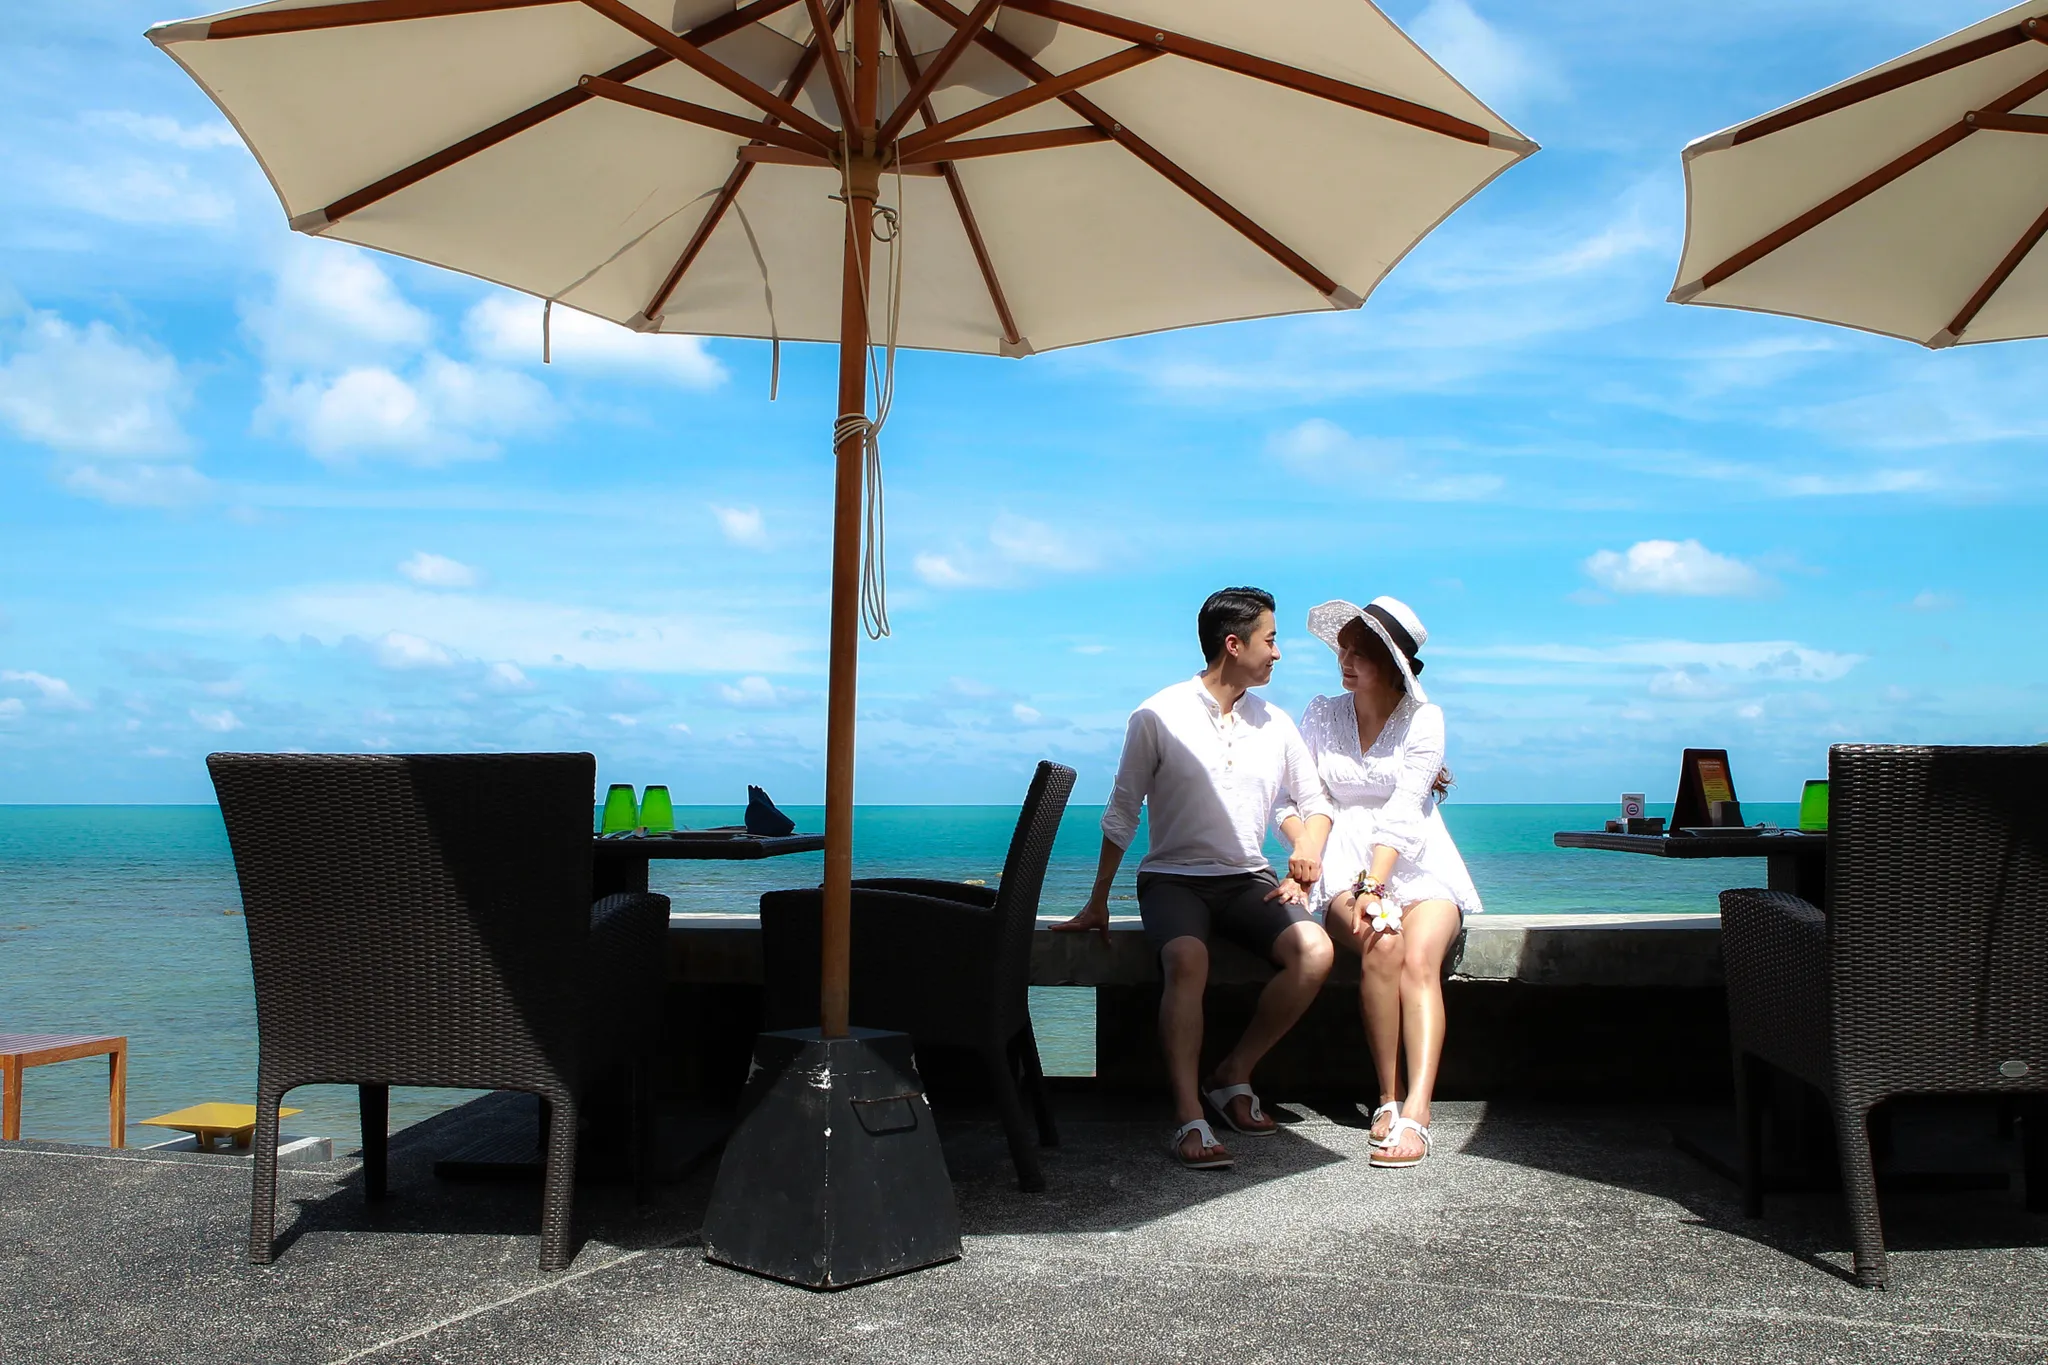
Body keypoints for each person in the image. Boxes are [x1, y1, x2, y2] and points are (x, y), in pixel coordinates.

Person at [1057, 587, 1336, 1170]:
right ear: (1233, 645)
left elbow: (1314, 803)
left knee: (1314, 951)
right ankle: (1189, 1116)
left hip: (1247, 878)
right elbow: (1123, 811)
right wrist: (1098, 899)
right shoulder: (1157, 715)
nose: (1278, 653)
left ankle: (1232, 1075)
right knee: (1187, 959)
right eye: (1270, 640)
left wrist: (1307, 851)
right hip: (1173, 879)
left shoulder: (1276, 723)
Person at [1278, 596, 1482, 1170]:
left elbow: (1405, 808)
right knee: (1382, 944)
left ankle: (1418, 1108)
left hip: (1418, 861)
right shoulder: (1322, 713)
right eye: (1343, 650)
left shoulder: (1425, 718)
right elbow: (1293, 798)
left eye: (1361, 653)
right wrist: (1304, 851)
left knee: (1420, 960)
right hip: (1342, 862)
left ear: (1393, 662)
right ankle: (1387, 1097)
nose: (1345, 662)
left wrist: (1376, 885)